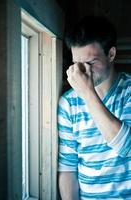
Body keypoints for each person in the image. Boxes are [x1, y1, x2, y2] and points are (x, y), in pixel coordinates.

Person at [57, 15, 131, 200]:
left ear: (111, 54)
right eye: (77, 63)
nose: (83, 71)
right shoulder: (68, 103)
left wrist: (88, 94)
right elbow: (68, 169)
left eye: (90, 63)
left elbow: (127, 147)